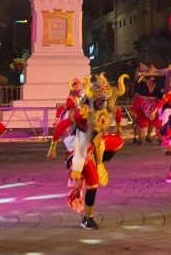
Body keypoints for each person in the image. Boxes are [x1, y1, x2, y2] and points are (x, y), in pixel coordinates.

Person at [48, 74, 126, 229]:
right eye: (100, 100)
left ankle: (101, 162)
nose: (103, 103)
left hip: (98, 143)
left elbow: (117, 111)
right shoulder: (83, 111)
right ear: (92, 99)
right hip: (81, 149)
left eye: (105, 100)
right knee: (93, 183)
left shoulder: (107, 107)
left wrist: (118, 127)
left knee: (119, 142)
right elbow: (61, 126)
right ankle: (87, 218)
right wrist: (53, 146)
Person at [132, 71, 163, 144]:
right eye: (150, 82)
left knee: (158, 122)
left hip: (154, 106)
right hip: (143, 105)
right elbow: (137, 89)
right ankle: (140, 138)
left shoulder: (158, 85)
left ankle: (160, 138)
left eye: (153, 83)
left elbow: (160, 94)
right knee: (142, 123)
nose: (152, 84)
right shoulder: (142, 84)